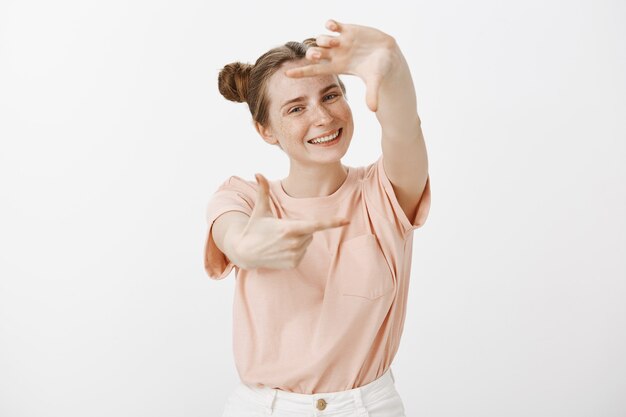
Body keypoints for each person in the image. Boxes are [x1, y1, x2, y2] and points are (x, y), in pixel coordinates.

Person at [204, 19, 431, 417]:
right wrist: (248, 246)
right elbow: (233, 233)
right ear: (266, 130)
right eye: (296, 108)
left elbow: (404, 129)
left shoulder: (386, 191)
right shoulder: (243, 195)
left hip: (368, 406)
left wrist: (392, 66)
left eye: (330, 95)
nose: (323, 117)